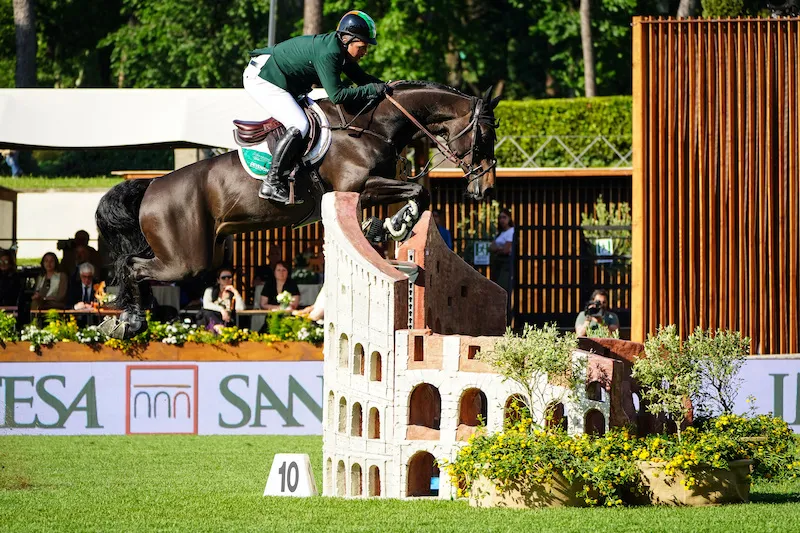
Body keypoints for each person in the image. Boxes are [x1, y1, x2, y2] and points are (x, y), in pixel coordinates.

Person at [244, 10, 388, 203]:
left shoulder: (340, 50)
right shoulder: (330, 53)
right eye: (362, 46)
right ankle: (272, 182)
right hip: (264, 78)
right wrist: (373, 89)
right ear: (348, 40)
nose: (365, 52)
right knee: (300, 124)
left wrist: (389, 87)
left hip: (281, 80)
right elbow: (337, 96)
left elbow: (362, 79)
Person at [489, 209, 515, 295]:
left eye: (504, 217)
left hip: (505, 262)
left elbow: (506, 249)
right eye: (500, 218)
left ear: (509, 218)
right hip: (497, 262)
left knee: (503, 285)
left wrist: (498, 249)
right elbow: (491, 247)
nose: (502, 220)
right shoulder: (500, 233)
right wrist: (500, 248)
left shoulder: (511, 231)